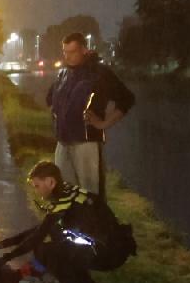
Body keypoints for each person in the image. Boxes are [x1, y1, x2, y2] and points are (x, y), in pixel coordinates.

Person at [2, 160, 116, 283]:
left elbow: (38, 236)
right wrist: (4, 245)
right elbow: (39, 230)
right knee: (58, 237)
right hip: (110, 245)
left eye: (37, 186)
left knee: (44, 250)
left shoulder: (62, 203)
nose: (36, 191)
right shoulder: (69, 192)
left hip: (106, 253)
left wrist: (8, 256)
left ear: (50, 182)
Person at [45, 32, 135, 198]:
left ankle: (95, 223)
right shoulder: (63, 74)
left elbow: (127, 99)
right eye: (65, 52)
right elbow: (50, 99)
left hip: (87, 142)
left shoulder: (100, 74)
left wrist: (103, 124)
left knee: (90, 193)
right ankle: (69, 223)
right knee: (64, 192)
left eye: (72, 52)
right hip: (63, 142)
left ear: (84, 50)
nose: (68, 56)